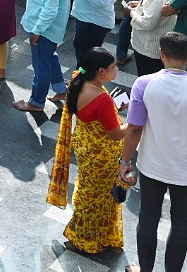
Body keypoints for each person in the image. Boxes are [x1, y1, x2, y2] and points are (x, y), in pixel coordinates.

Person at [45, 47, 127, 256]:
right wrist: (135, 123)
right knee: (99, 197)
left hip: (85, 148)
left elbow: (93, 116)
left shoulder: (77, 80)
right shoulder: (102, 98)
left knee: (88, 191)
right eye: (113, 67)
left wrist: (114, 111)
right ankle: (86, 238)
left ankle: (84, 233)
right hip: (102, 155)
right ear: (101, 71)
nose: (116, 69)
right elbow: (116, 134)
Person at [119, 31, 187, 272]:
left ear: (161, 54)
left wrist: (124, 160)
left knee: (148, 218)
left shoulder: (145, 83)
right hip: (186, 170)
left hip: (152, 165)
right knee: (182, 223)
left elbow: (135, 128)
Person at [14, 0, 77, 112]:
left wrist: (37, 31)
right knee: (50, 57)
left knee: (41, 66)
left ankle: (36, 102)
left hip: (44, 29)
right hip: (52, 28)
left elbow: (49, 11)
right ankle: (60, 89)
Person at [125, 0, 182, 76]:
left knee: (146, 80)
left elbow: (147, 23)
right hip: (161, 47)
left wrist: (130, 12)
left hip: (148, 50)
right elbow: (153, 7)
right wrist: (140, 3)